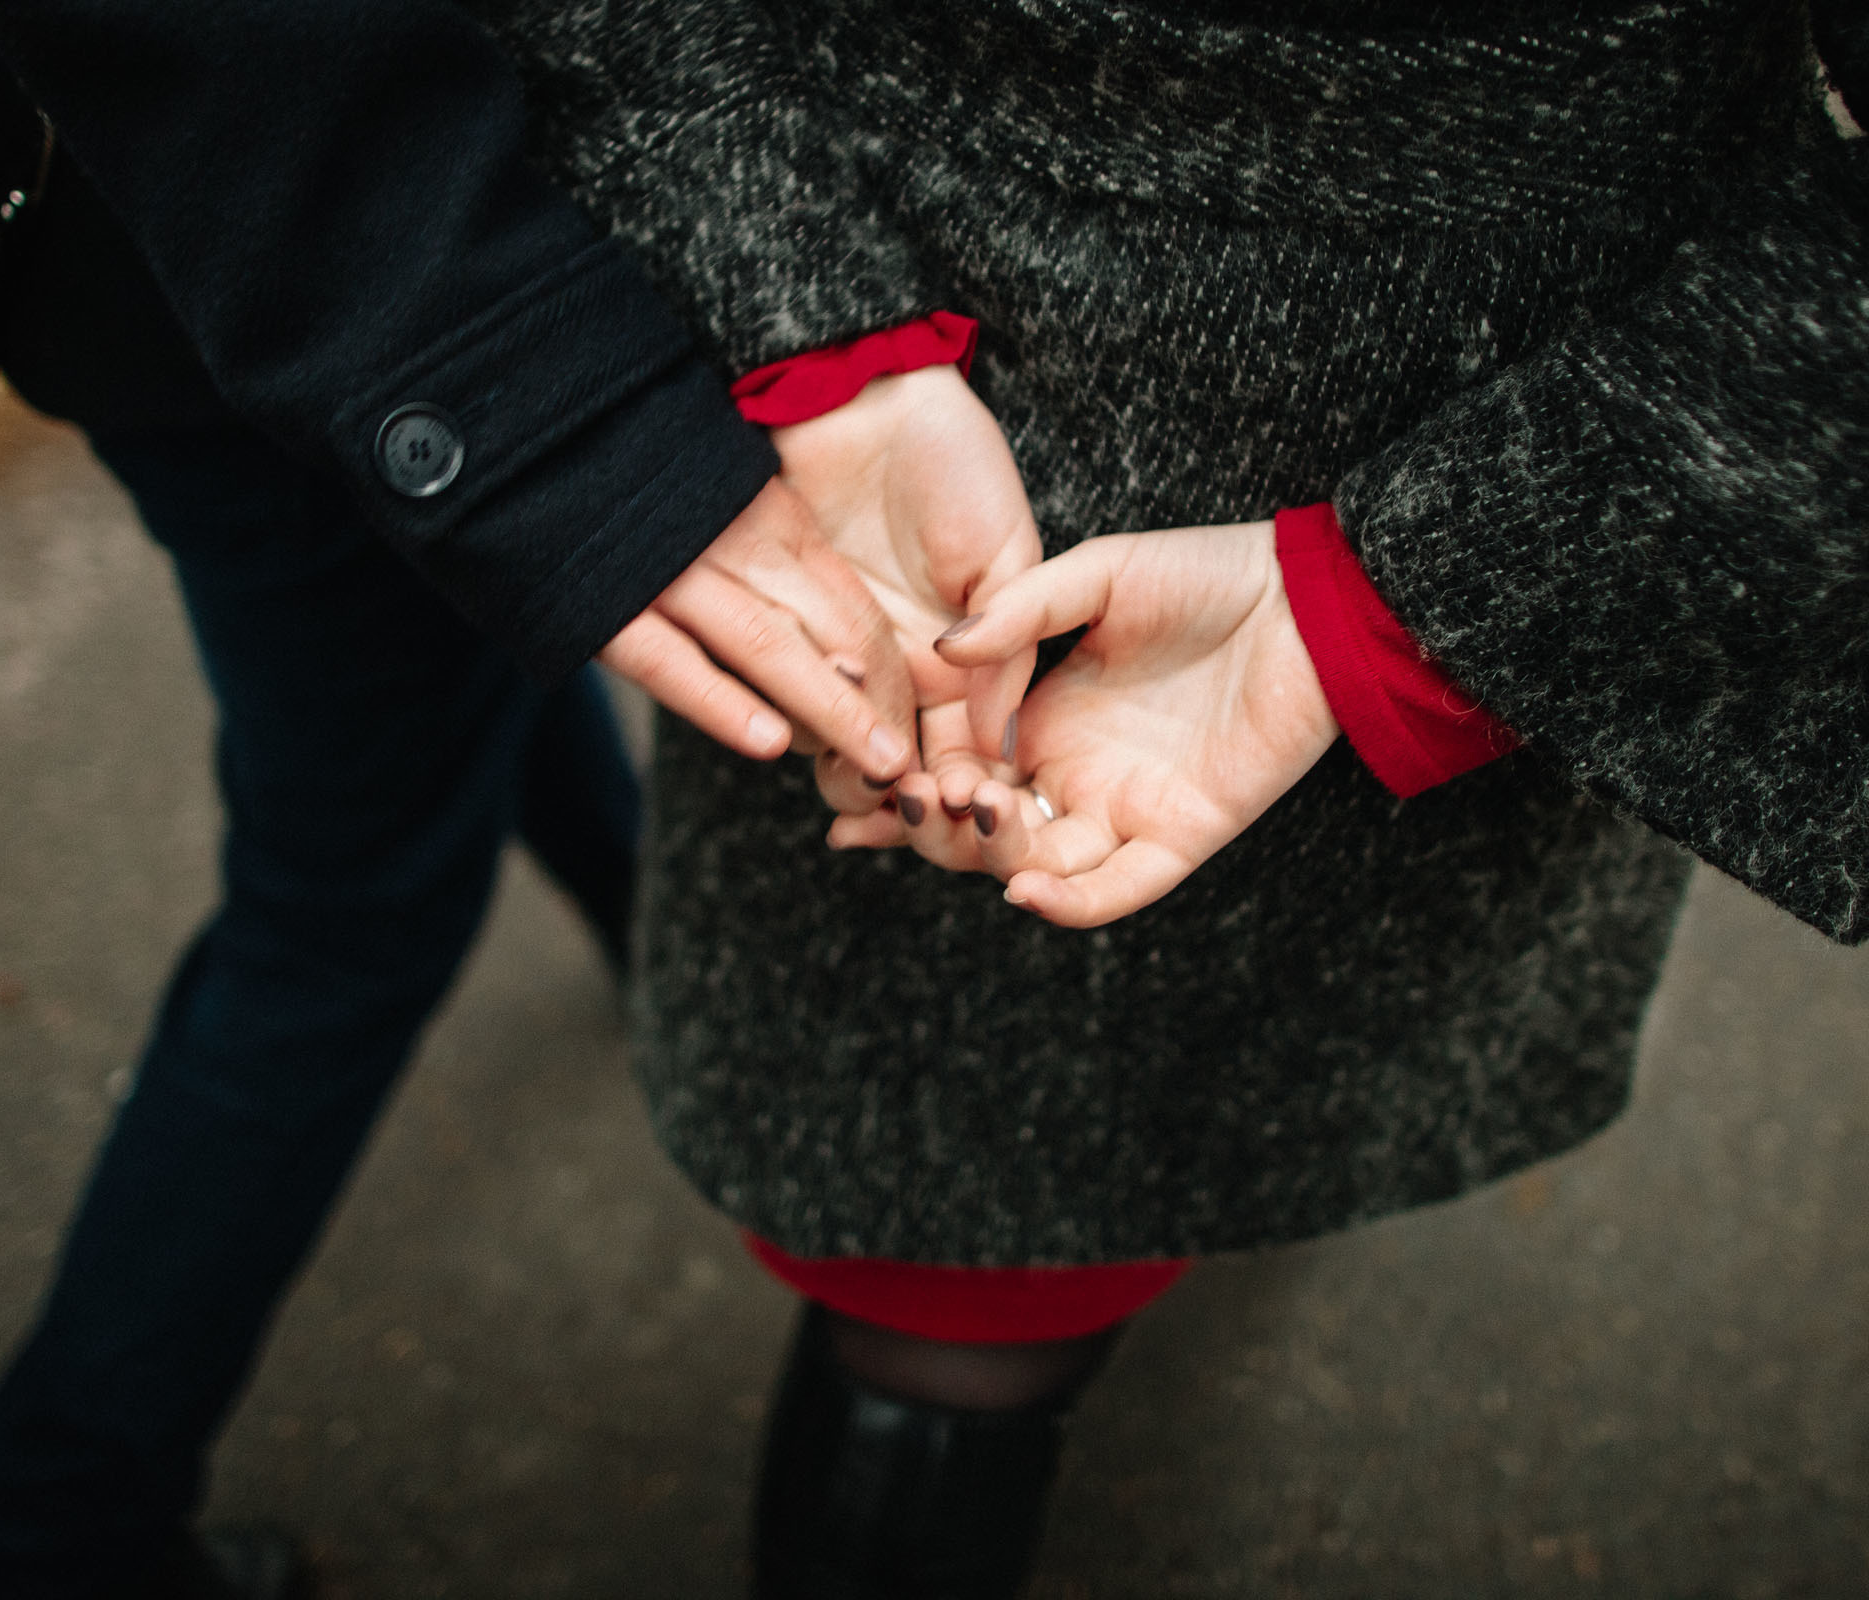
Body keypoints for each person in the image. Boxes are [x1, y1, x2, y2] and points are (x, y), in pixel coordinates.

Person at [443, 0, 1868, 1595]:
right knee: (946, 1247)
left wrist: (1427, 593)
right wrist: (819, 331)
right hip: (886, 398)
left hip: (1522, 420)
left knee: (1056, 1172)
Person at [0, 3, 934, 1597]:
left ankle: (632, 912)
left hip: (144, 253)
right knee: (342, 912)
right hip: (269, 257)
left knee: (436, 682)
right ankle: (46, 1536)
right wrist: (547, 416)